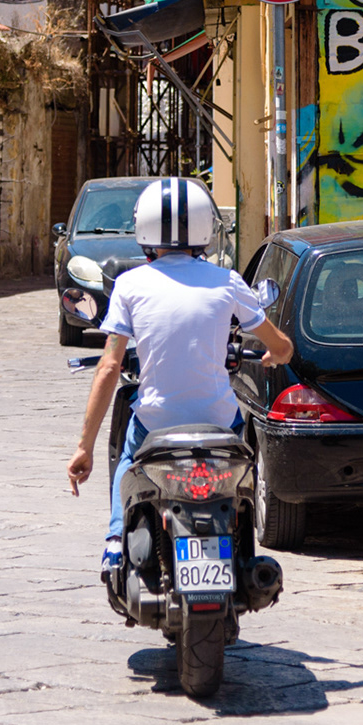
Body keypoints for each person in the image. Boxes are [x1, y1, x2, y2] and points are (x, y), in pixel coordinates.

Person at [67, 178, 293, 571]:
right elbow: (282, 346)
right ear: (206, 228)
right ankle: (241, 533)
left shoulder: (129, 285)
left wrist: (84, 448)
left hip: (156, 424)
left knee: (127, 460)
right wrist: (275, 354)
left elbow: (109, 367)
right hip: (218, 421)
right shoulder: (228, 281)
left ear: (143, 227)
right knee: (242, 469)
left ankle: (116, 541)